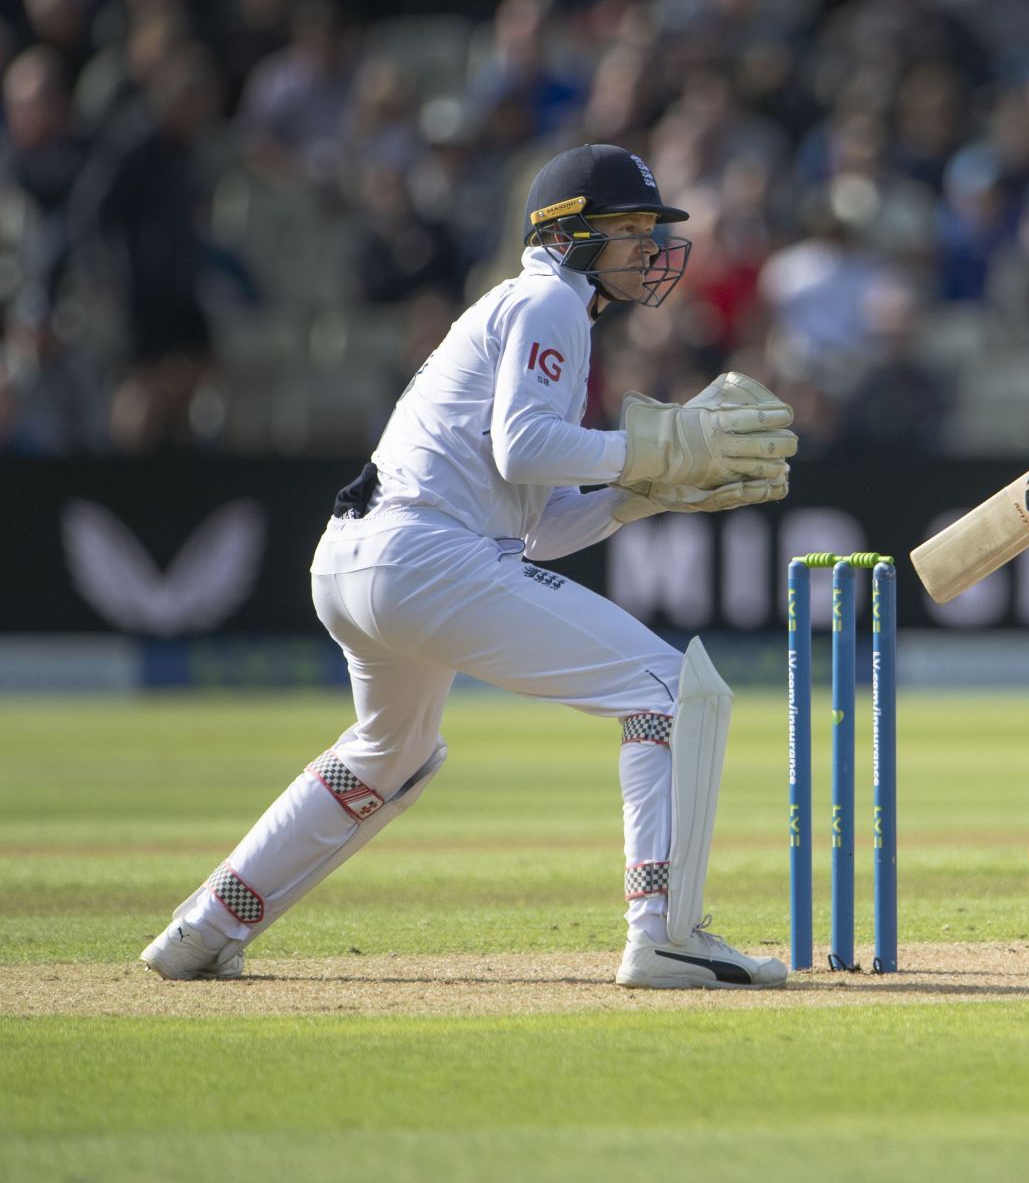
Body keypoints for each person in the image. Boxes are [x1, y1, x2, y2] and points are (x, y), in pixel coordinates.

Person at [141, 143, 798, 989]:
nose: (647, 246)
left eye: (649, 229)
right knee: (669, 690)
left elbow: (534, 530)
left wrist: (647, 488)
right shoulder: (549, 300)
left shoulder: (536, 308)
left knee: (391, 751)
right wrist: (654, 447)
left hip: (360, 561)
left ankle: (204, 926)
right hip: (421, 557)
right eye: (627, 228)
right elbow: (524, 450)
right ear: (567, 235)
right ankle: (664, 934)